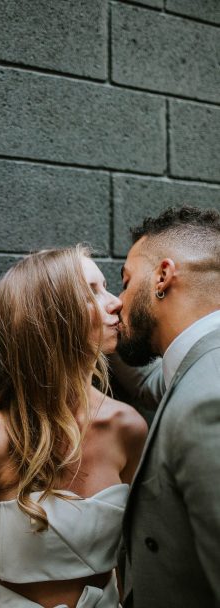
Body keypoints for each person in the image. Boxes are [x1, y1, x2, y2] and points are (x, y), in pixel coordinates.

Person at [0, 246, 147, 608]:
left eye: (106, 286)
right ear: (51, 317)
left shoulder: (129, 428)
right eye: (91, 291)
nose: (115, 302)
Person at [113, 206, 220, 608]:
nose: (117, 302)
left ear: (162, 276)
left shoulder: (210, 397)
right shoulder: (198, 364)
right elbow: (149, 381)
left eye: (124, 283)